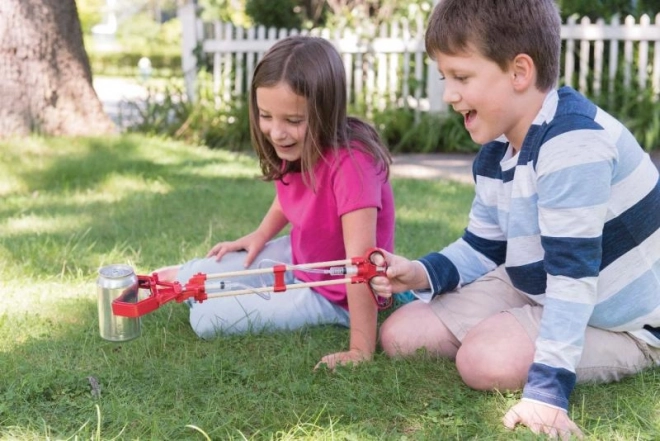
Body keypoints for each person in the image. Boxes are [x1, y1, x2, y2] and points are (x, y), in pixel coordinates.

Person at [370, 0, 660, 438]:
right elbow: (481, 246)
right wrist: (419, 273)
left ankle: (627, 351)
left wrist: (546, 393)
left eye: (461, 77)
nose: (449, 94)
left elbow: (573, 278)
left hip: (618, 318)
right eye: (445, 78)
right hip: (537, 284)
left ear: (519, 72)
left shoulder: (573, 144)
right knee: (401, 336)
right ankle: (508, 327)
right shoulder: (496, 152)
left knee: (482, 360)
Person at [155, 35, 395, 370]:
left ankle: (233, 290)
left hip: (333, 294)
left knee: (205, 317)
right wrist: (260, 235)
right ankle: (194, 278)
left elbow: (361, 265)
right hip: (300, 258)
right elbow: (291, 196)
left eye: (293, 121)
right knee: (195, 275)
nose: (276, 132)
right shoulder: (298, 144)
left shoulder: (353, 166)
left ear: (325, 112)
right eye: (266, 115)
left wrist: (360, 350)